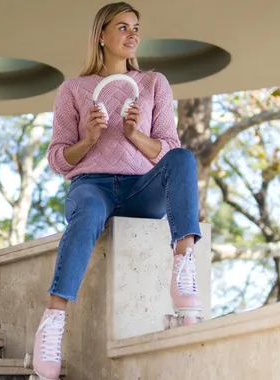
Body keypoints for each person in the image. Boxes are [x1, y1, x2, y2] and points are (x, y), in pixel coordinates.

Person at [31, 2, 204, 379]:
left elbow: (169, 150)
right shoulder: (73, 90)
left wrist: (135, 135)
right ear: (102, 36)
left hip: (142, 189)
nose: (133, 35)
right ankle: (54, 320)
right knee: (88, 209)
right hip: (91, 186)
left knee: (184, 159)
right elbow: (59, 160)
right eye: (123, 27)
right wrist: (90, 138)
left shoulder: (153, 83)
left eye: (136, 28)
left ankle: (184, 263)